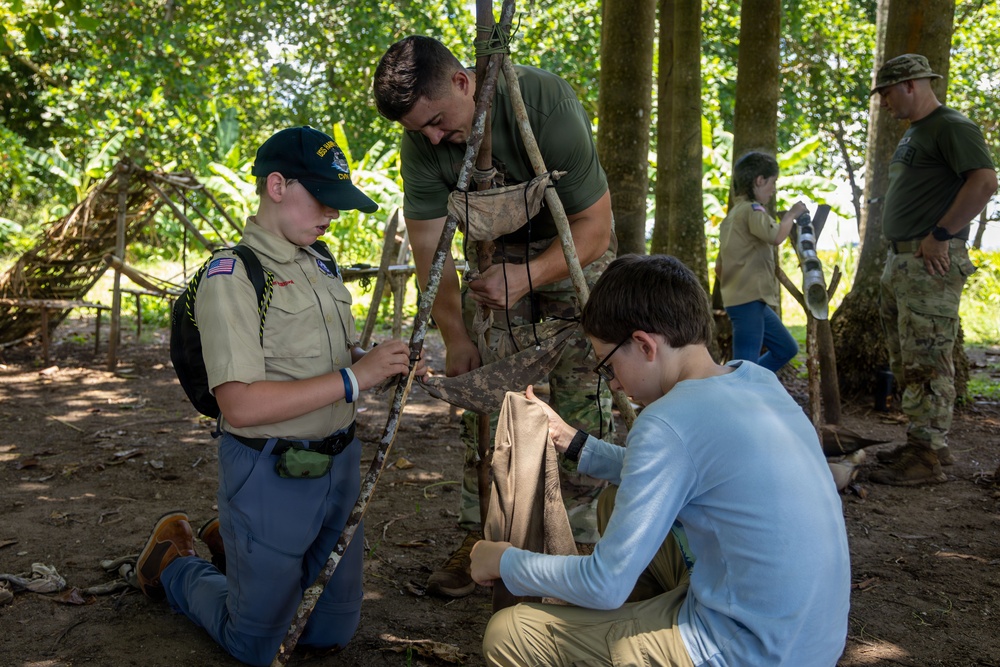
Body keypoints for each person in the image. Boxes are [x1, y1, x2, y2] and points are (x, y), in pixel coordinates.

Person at [470, 254, 851, 666]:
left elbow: (604, 584)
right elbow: (674, 471)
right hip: (810, 641)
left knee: (509, 634)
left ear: (644, 345)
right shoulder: (757, 379)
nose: (613, 381)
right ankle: (633, 632)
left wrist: (502, 559)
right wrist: (573, 441)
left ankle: (644, 643)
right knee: (614, 502)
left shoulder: (665, 421)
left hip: (747, 652)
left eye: (608, 365)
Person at [134, 126, 419, 666]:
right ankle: (173, 564)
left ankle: (233, 548)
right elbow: (240, 404)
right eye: (322, 200)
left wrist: (379, 362)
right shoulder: (234, 275)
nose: (332, 215)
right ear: (276, 186)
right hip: (271, 471)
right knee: (259, 646)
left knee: (329, 633)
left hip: (339, 463)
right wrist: (356, 380)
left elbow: (322, 358)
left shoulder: (319, 261)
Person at [372, 35, 617, 597]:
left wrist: (529, 276)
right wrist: (456, 337)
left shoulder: (544, 104)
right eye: (419, 131)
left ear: (464, 82)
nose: (433, 138)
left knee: (580, 401)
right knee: (488, 402)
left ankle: (577, 547)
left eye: (437, 121)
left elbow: (596, 230)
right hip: (496, 268)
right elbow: (431, 252)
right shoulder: (423, 141)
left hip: (572, 256)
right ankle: (480, 535)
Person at [868, 53, 997, 486]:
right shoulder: (916, 133)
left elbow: (984, 181)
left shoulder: (952, 126)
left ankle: (924, 458)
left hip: (929, 263)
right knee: (908, 359)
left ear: (910, 85)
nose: (884, 102)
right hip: (903, 262)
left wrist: (941, 234)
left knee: (928, 361)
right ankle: (929, 446)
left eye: (886, 93)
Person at [716, 151, 806, 372]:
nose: (773, 189)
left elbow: (719, 266)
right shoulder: (752, 210)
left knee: (786, 348)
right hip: (747, 300)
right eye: (772, 182)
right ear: (759, 180)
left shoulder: (732, 216)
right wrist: (791, 214)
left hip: (750, 299)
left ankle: (754, 383)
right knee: (745, 368)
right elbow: (776, 237)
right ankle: (741, 393)